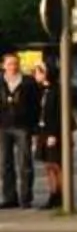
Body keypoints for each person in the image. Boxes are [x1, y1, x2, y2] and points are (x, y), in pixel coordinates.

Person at [0, 53, 40, 211]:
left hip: (23, 127)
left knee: (25, 163)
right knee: (5, 164)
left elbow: (36, 106)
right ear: (3, 65)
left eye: (16, 63)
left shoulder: (28, 82)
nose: (13, 67)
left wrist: (35, 127)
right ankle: (9, 198)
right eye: (10, 64)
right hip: (3, 126)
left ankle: (26, 198)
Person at [30, 62, 64, 211]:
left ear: (46, 74)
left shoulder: (57, 90)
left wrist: (54, 133)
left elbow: (57, 114)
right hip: (42, 130)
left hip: (52, 131)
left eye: (38, 72)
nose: (35, 75)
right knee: (48, 165)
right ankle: (53, 193)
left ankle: (60, 195)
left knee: (56, 165)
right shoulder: (41, 90)